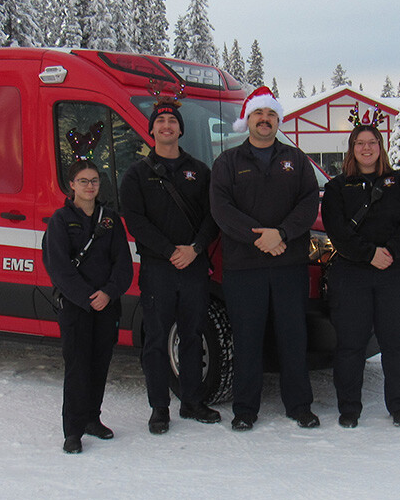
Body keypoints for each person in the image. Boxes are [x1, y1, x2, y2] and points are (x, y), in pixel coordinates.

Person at [210, 85, 321, 431]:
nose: (265, 120)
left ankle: (299, 405)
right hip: (245, 268)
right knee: (247, 338)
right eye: (259, 113)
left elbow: (308, 203)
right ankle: (245, 409)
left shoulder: (296, 160)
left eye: (271, 114)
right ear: (248, 118)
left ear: (278, 121)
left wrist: (282, 234)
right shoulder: (228, 162)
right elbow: (221, 209)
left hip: (288, 265)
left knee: (293, 337)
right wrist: (260, 238)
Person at [120, 100, 222, 435]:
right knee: (156, 339)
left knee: (191, 335)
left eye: (172, 121)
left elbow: (212, 217)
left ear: (180, 129)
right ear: (151, 130)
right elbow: (135, 219)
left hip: (193, 266)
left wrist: (194, 249)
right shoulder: (137, 173)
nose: (166, 126)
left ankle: (192, 402)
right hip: (158, 268)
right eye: (160, 121)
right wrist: (168, 251)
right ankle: (159, 408)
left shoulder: (199, 170)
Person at [320, 122, 400, 428]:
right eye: (360, 143)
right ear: (352, 149)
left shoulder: (399, 182)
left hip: (394, 271)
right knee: (351, 344)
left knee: (395, 343)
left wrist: (389, 251)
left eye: (372, 142)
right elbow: (337, 230)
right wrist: (369, 254)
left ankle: (399, 405)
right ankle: (349, 407)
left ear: (381, 147)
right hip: (353, 276)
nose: (367, 148)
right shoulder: (338, 188)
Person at [43, 159, 134, 453]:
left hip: (107, 306)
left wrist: (108, 293)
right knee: (78, 367)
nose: (89, 186)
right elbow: (58, 267)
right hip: (76, 308)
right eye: (83, 181)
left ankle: (93, 419)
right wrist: (86, 297)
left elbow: (123, 265)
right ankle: (73, 430)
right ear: (72, 185)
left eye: (94, 180)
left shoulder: (110, 219)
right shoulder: (60, 220)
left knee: (99, 365)